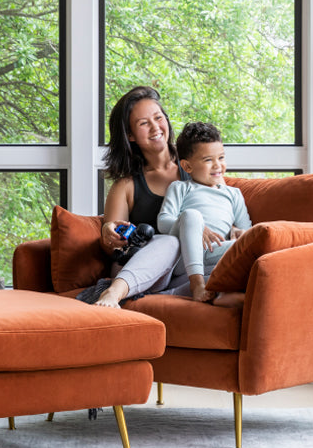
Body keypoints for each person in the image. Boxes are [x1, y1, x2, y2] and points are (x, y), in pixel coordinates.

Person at [80, 86, 191, 308]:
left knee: (214, 269)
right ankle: (113, 293)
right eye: (143, 123)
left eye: (158, 118)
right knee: (171, 241)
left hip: (188, 270)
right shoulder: (126, 186)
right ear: (130, 135)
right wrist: (108, 233)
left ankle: (166, 298)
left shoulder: (195, 165)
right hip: (145, 271)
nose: (155, 127)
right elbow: (113, 247)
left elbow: (222, 203)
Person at [157, 122, 250, 304]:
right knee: (192, 215)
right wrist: (197, 227)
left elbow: (248, 232)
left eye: (221, 158)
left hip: (217, 253)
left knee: (253, 247)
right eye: (208, 160)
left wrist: (239, 232)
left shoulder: (233, 194)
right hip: (185, 254)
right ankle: (197, 283)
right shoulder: (181, 188)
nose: (217, 165)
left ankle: (219, 294)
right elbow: (163, 222)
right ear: (187, 166)